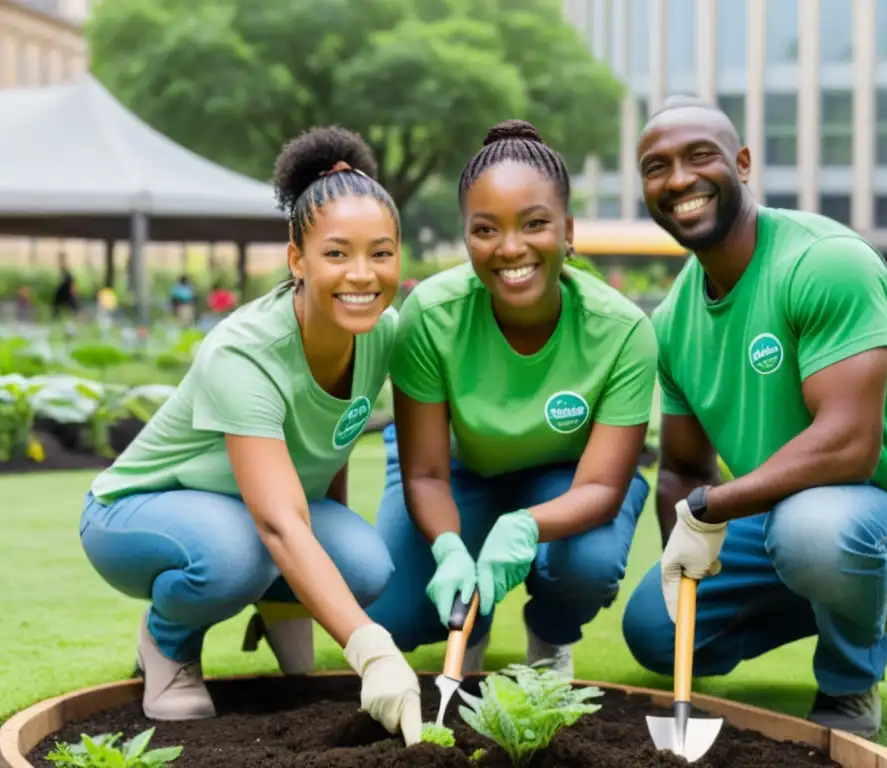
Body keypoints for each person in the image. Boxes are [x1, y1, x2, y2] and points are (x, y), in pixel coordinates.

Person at [620, 96, 887, 740]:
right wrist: (682, 561)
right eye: (656, 167)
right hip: (782, 526)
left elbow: (848, 447)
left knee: (815, 531)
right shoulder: (672, 321)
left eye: (699, 156)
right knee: (653, 628)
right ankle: (843, 599)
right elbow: (683, 470)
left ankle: (848, 681)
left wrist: (715, 505)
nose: (677, 180)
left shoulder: (824, 261)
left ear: (743, 163)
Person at [78, 126, 423, 744]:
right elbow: (279, 524)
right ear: (297, 259)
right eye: (337, 253)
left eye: (382, 252)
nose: (363, 274)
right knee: (235, 554)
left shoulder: (382, 331)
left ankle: (278, 602)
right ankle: (166, 642)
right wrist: (371, 650)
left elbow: (330, 443)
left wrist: (314, 581)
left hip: (257, 512)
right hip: (135, 513)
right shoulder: (244, 352)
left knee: (365, 565)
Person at [367, 119, 657, 677]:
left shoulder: (621, 330)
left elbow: (601, 485)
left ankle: (549, 635)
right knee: (397, 612)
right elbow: (425, 473)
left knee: (588, 563)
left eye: (535, 224)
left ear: (568, 230)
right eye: (486, 229)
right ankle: (468, 623)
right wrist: (451, 546)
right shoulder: (430, 316)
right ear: (466, 237)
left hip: (565, 478)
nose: (511, 248)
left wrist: (525, 525)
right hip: (459, 472)